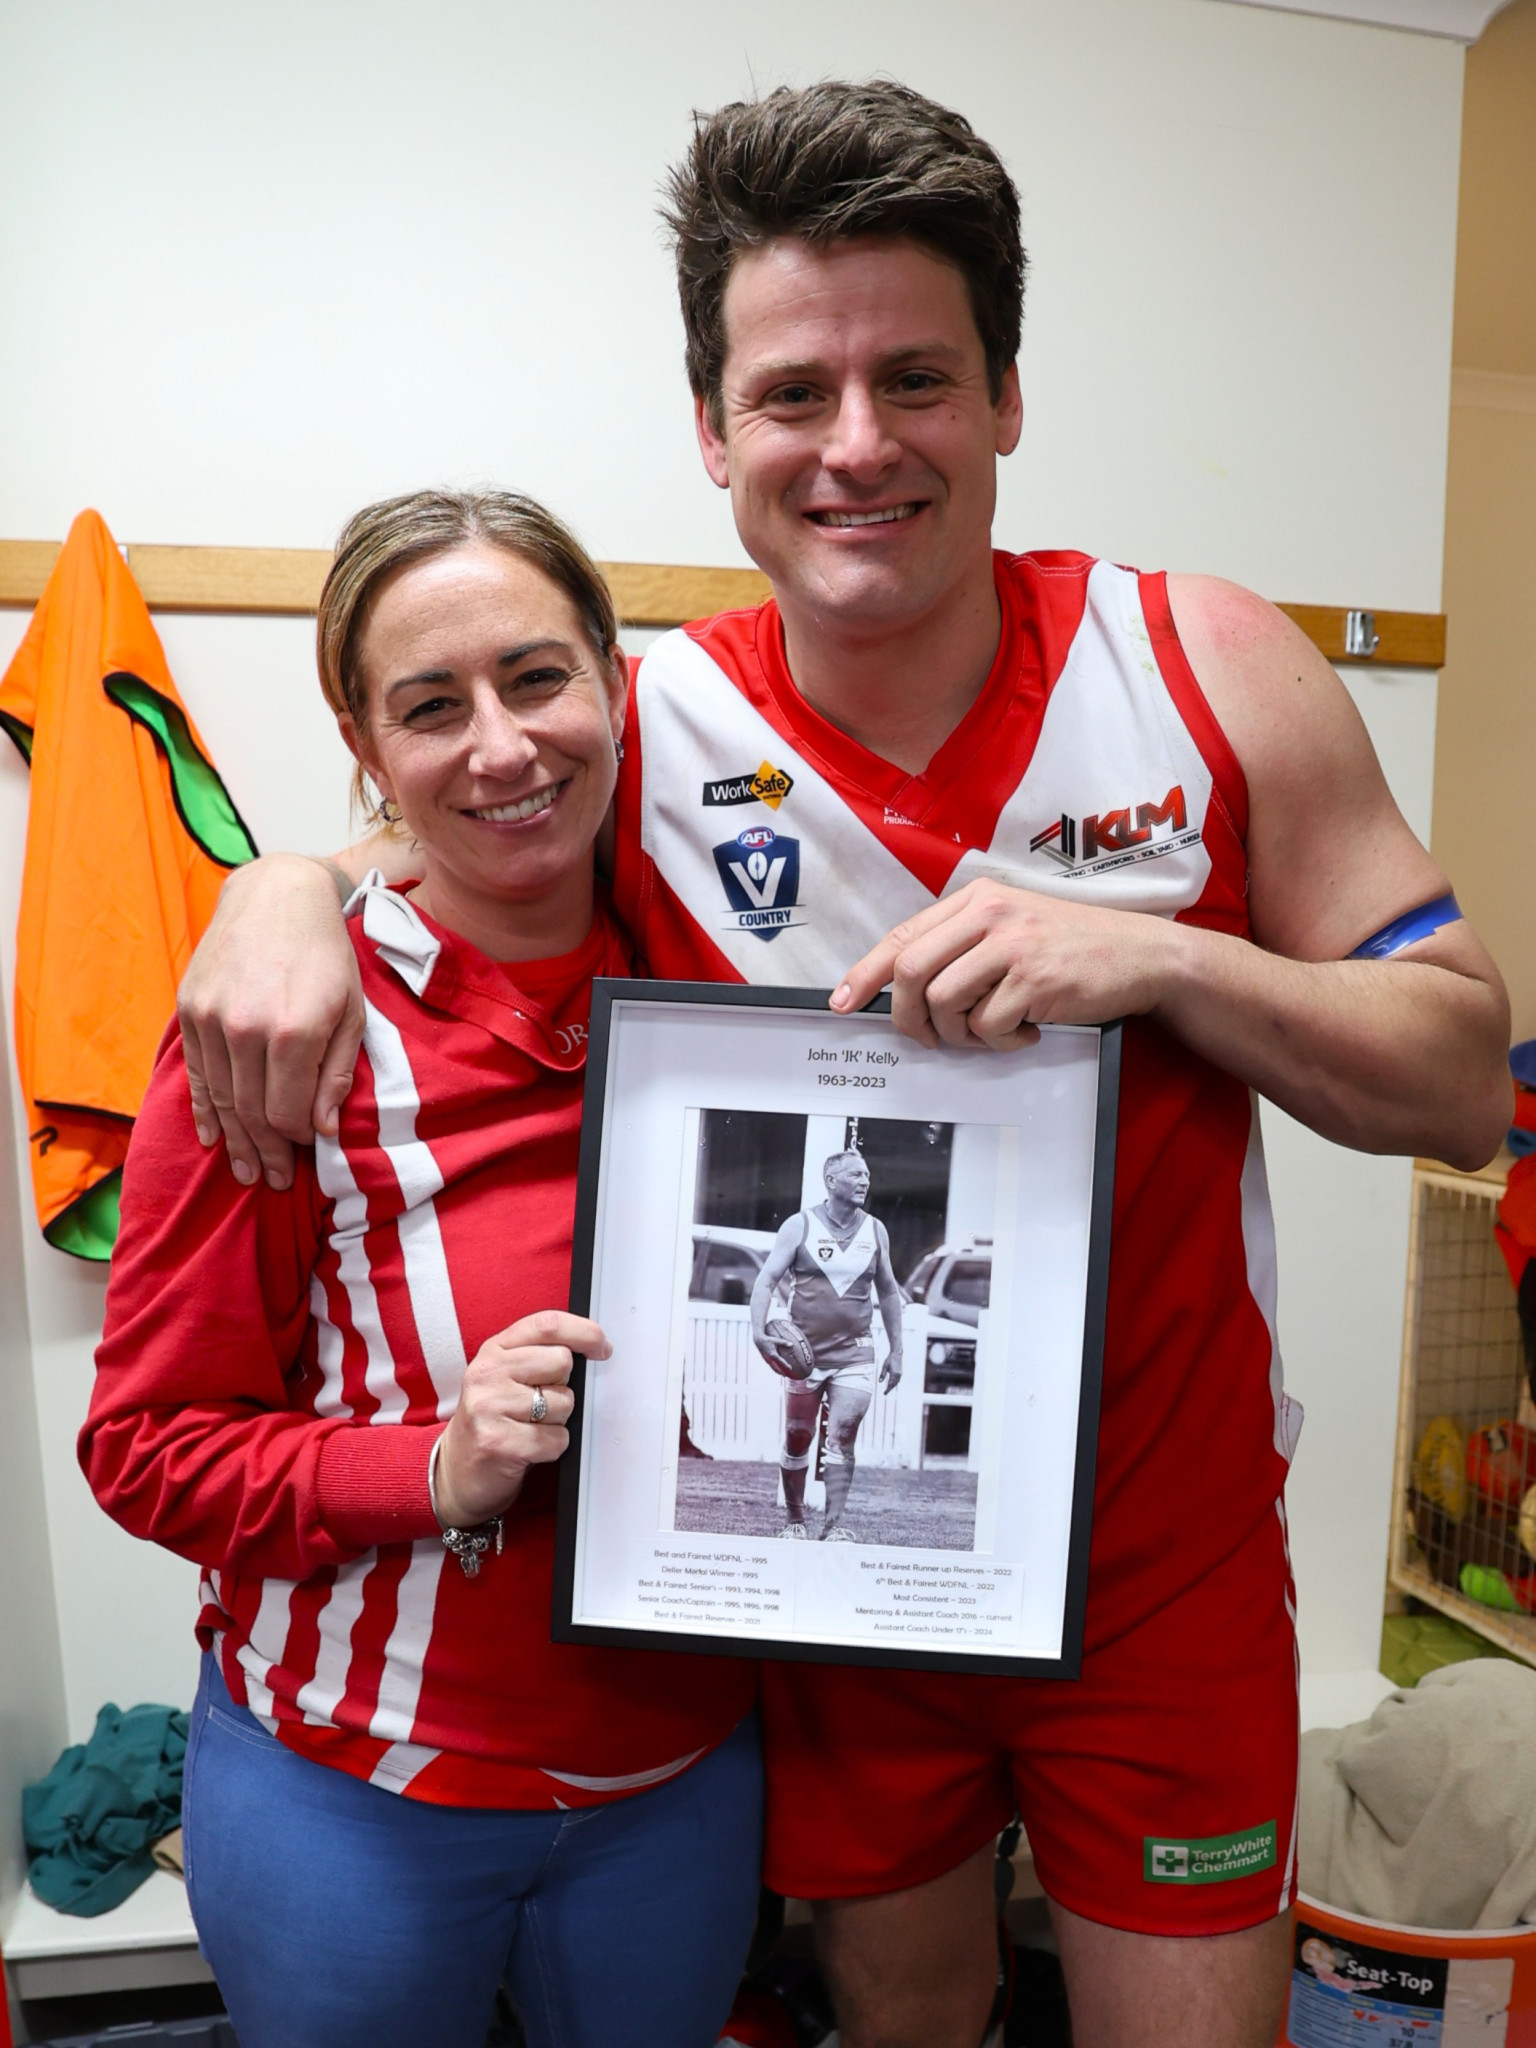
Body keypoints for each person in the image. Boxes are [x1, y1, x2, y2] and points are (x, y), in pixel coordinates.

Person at [169, 83, 1510, 2048]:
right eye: (796, 393)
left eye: (918, 378)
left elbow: (1465, 1072)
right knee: (898, 2023)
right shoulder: (648, 724)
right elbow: (441, 837)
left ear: (1010, 395)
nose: (858, 445)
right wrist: (274, 881)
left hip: (1161, 1573)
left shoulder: (1204, 662)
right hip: (834, 1575)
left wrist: (1161, 958)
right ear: (715, 432)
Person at [79, 491, 761, 2048]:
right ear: (366, 747)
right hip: (359, 1789)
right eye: (431, 708)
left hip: (682, 1781)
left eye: (536, 678)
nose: (502, 748)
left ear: (612, 679)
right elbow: (146, 1448)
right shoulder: (280, 1034)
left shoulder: (740, 987)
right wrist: (433, 1468)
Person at [750, 1146, 905, 1542]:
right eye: (855, 1175)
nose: (865, 1181)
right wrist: (759, 1333)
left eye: (867, 1174)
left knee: (843, 1435)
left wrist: (897, 1350)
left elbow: (888, 1292)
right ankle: (794, 1520)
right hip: (804, 1356)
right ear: (831, 1180)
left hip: (855, 1353)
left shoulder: (875, 1230)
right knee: (798, 1434)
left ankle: (834, 1527)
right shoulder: (799, 1226)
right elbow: (766, 1281)